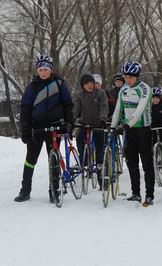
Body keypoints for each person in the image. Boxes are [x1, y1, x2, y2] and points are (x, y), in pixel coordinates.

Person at [15, 54, 74, 202]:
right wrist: (25, 129)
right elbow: (25, 109)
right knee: (30, 160)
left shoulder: (60, 83)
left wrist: (68, 123)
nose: (43, 72)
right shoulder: (32, 87)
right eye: (41, 69)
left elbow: (68, 105)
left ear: (51, 70)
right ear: (37, 70)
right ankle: (25, 191)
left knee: (53, 160)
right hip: (37, 128)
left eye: (46, 69)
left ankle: (54, 191)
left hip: (55, 128)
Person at [111, 60, 155, 206]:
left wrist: (127, 125)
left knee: (147, 163)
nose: (128, 80)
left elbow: (140, 110)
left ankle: (149, 195)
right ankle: (136, 193)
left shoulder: (144, 89)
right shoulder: (123, 90)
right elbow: (118, 109)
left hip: (143, 129)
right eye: (126, 77)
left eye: (131, 77)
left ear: (137, 76)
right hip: (129, 130)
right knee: (132, 163)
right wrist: (113, 126)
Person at [74, 72, 108, 189]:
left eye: (91, 83)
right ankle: (84, 158)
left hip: (98, 124)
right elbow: (76, 109)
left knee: (99, 147)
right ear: (82, 85)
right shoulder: (79, 96)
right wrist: (71, 120)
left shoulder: (100, 93)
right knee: (79, 139)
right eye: (87, 84)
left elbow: (104, 107)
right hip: (85, 123)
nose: (90, 86)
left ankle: (100, 173)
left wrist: (103, 119)